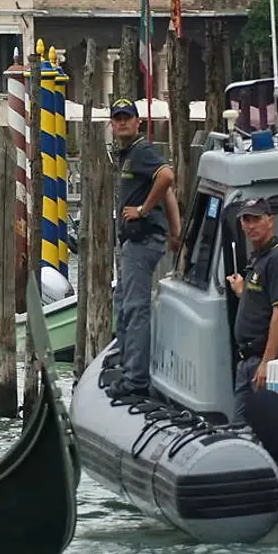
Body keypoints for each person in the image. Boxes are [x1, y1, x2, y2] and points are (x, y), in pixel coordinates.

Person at [109, 99, 181, 396]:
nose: (123, 122)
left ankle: (135, 379)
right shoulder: (129, 156)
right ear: (111, 124)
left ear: (138, 122)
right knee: (121, 301)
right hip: (136, 242)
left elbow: (167, 176)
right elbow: (169, 192)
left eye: (127, 117)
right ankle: (126, 363)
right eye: (118, 118)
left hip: (141, 241)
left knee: (135, 307)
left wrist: (141, 209)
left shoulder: (141, 151)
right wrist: (176, 232)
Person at [226, 197, 278, 422]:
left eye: (256, 219)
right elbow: (263, 301)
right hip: (247, 362)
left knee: (265, 430)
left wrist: (267, 362)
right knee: (242, 432)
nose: (250, 225)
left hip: (266, 359)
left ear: (270, 221)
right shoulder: (259, 259)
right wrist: (243, 291)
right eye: (246, 220)